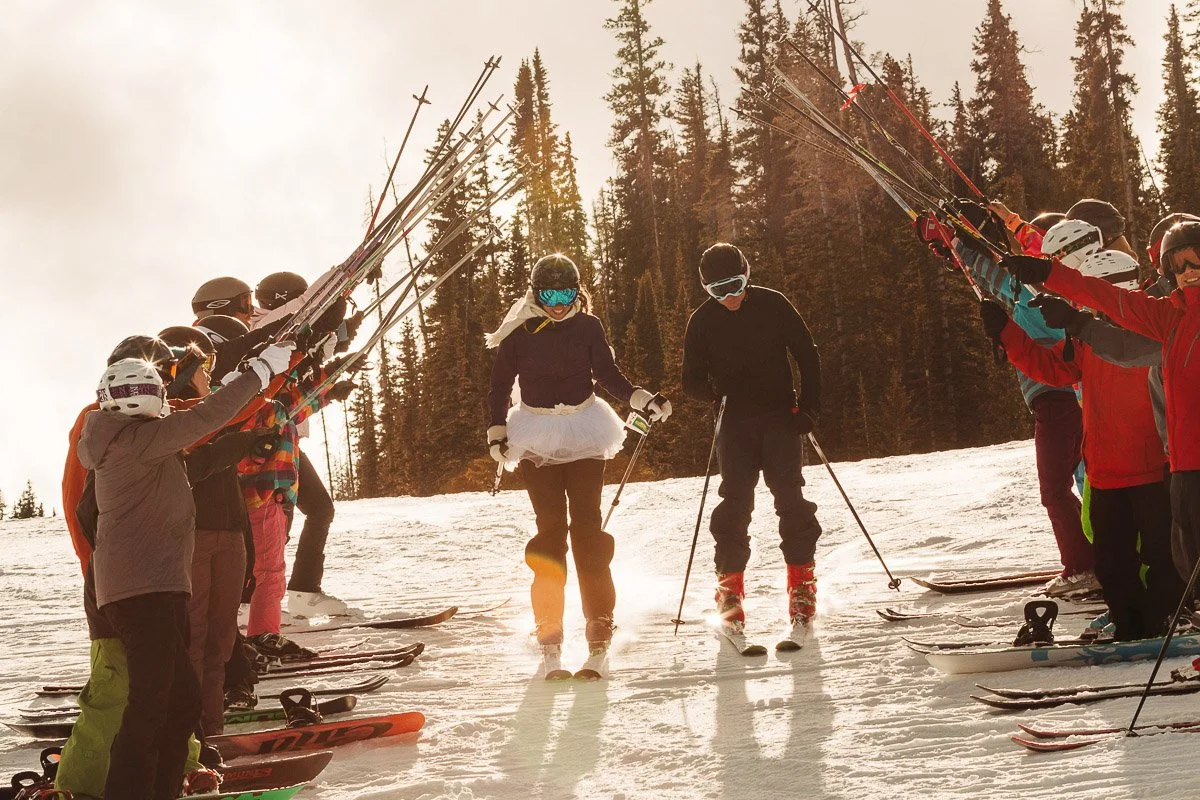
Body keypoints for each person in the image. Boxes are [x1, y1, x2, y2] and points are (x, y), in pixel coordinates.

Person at [77, 341, 292, 800]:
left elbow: (198, 441)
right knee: (154, 701)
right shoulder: (136, 440)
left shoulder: (131, 443)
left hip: (156, 586)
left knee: (180, 703)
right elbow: (205, 415)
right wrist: (257, 373)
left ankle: (160, 790)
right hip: (142, 590)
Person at [985, 249, 1180, 640]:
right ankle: (1129, 625)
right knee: (1112, 563)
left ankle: (1167, 620)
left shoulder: (1154, 332)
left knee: (1162, 557)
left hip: (1154, 470)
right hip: (1106, 474)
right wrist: (1007, 332)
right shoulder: (1088, 337)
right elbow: (1053, 369)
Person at [486, 253, 670, 656]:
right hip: (535, 435)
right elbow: (499, 387)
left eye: (566, 292)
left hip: (586, 430)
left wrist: (642, 399)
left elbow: (607, 375)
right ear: (535, 293)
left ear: (577, 291)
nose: (557, 302)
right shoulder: (519, 333)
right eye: (549, 293)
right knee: (550, 528)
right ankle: (548, 619)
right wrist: (497, 432)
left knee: (587, 527)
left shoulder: (588, 326)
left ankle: (599, 616)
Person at [1005, 219, 1200, 588]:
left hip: (1168, 466)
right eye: (1179, 264)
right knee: (1187, 559)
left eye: (1197, 260)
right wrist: (1051, 275)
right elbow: (1115, 303)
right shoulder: (1170, 317)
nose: (1188, 272)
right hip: (1183, 467)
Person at [917, 206, 1098, 596]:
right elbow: (1006, 268)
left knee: (1055, 486)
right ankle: (1100, 556)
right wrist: (959, 244)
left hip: (1058, 399)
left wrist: (954, 242)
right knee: (1085, 480)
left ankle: (1085, 566)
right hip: (1069, 398)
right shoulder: (1059, 287)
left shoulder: (1039, 293)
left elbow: (999, 276)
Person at [680, 243, 822, 640]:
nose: (729, 298)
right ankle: (729, 591)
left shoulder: (774, 305)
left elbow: (807, 357)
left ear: (747, 275)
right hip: (735, 424)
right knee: (735, 504)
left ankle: (801, 587)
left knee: (790, 500)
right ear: (706, 290)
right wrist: (711, 391)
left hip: (780, 418)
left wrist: (808, 408)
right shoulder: (702, 321)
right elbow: (688, 379)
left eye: (735, 286)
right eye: (717, 291)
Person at [255, 271, 351, 618]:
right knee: (275, 520)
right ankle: (255, 600)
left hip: (287, 441)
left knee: (317, 509)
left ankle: (302, 591)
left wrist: (329, 379)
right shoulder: (273, 335)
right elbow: (285, 390)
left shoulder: (278, 334)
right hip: (272, 445)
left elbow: (300, 378)